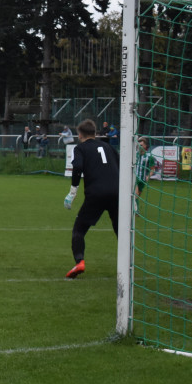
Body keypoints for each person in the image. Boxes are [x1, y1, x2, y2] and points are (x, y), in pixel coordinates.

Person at [63, 119, 119, 278]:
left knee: (79, 230)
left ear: (80, 135)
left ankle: (79, 262)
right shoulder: (108, 147)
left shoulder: (80, 148)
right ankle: (129, 263)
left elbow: (78, 167)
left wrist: (72, 192)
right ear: (95, 133)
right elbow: (122, 166)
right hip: (116, 192)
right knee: (120, 230)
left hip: (96, 193)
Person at [134, 136, 152, 215]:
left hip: (143, 179)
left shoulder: (149, 157)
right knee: (136, 194)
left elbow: (152, 169)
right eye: (139, 145)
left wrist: (149, 175)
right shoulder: (134, 155)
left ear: (145, 146)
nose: (140, 146)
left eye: (141, 145)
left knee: (137, 196)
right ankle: (136, 211)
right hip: (135, 177)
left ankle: (133, 207)